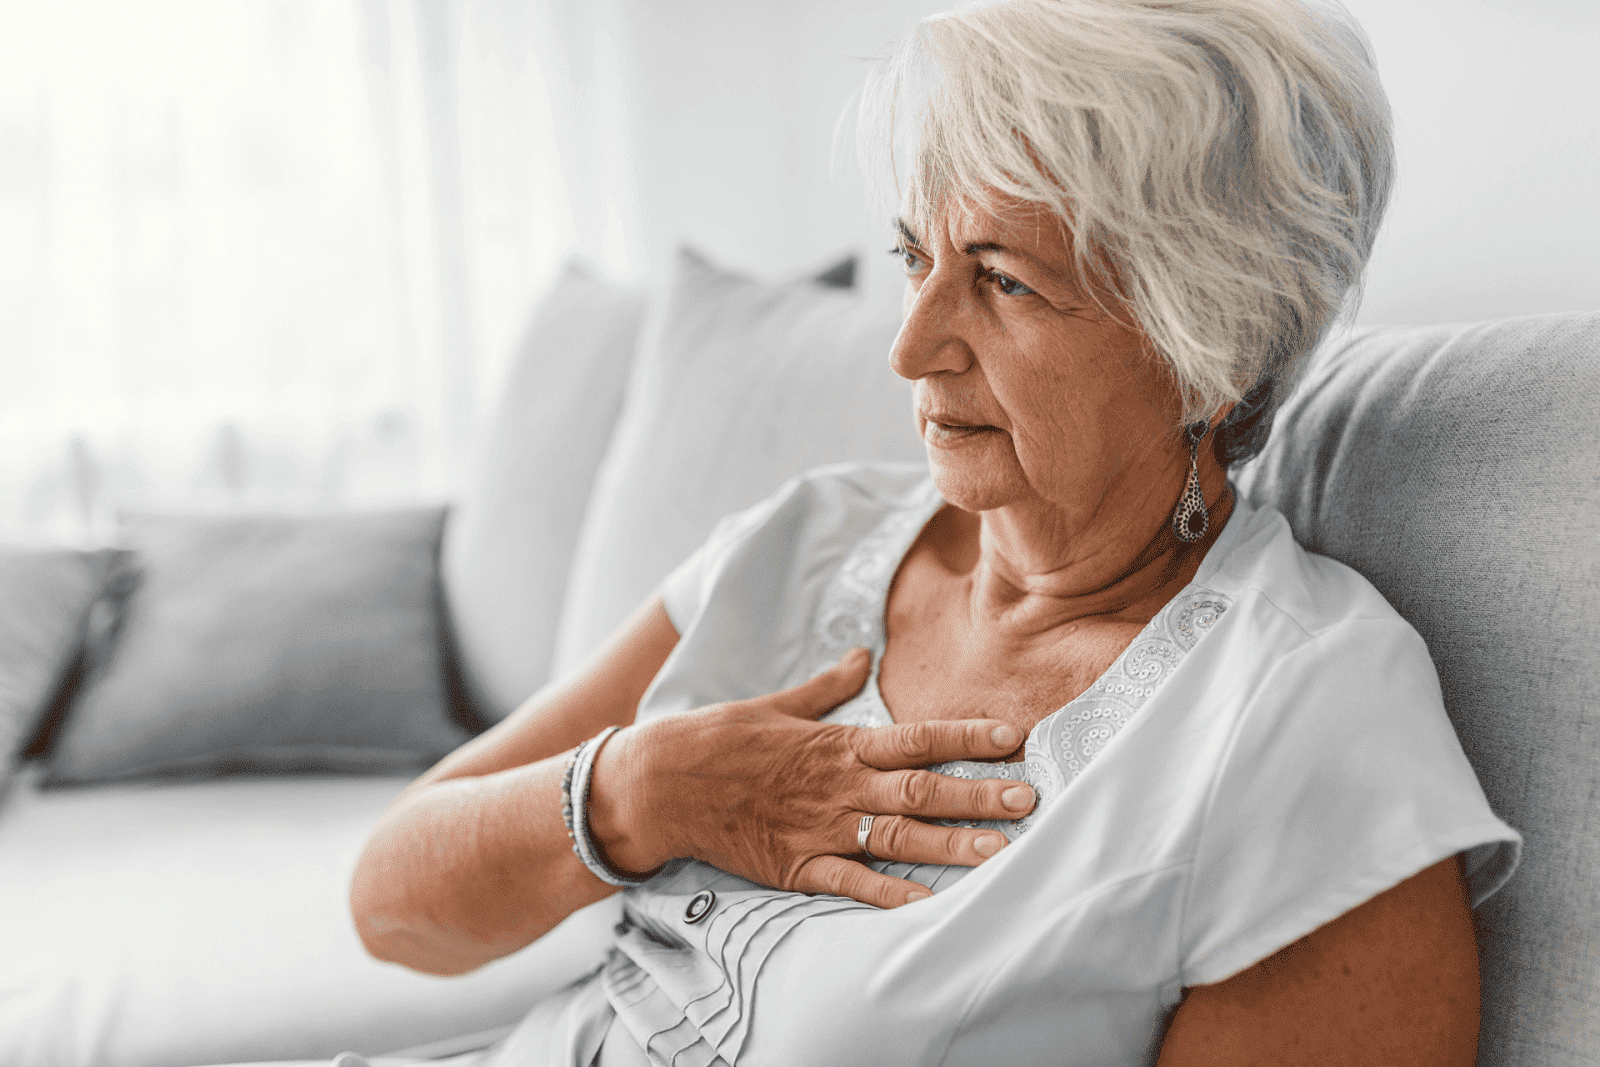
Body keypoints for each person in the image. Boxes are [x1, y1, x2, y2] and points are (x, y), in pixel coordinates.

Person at [343, 1, 1521, 1064]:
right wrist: (643, 789)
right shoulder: (805, 537)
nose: (909, 345)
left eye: (1002, 279)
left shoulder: (1302, 716)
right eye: (915, 256)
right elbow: (391, 906)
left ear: (1208, 343)